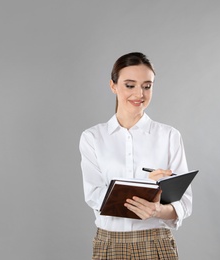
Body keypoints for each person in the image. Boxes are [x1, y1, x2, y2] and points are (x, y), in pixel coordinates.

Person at [79, 52, 192, 259]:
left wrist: (157, 209)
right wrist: (146, 185)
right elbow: (95, 196)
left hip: (156, 242)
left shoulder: (169, 136)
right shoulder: (93, 137)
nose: (139, 93)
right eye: (130, 85)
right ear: (113, 86)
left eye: (147, 86)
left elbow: (183, 203)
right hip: (110, 243)